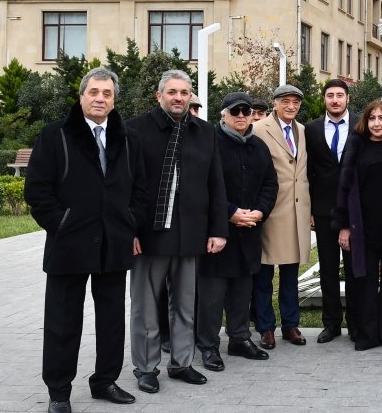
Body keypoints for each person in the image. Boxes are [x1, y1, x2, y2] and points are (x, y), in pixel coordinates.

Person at [25, 67, 145, 413]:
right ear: (81, 96)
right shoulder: (55, 135)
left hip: (114, 242)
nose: (100, 99)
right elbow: (37, 190)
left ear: (114, 99)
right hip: (70, 243)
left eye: (107, 94)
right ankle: (59, 391)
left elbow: (140, 188)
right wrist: (60, 223)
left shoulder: (127, 137)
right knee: (63, 320)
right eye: (94, 92)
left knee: (111, 318)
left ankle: (105, 381)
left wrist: (130, 222)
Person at [127, 70, 228, 394]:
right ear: (159, 96)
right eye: (172, 92)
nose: (179, 98)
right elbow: (124, 186)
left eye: (184, 93)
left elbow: (216, 184)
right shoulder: (136, 130)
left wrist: (218, 230)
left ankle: (182, 363)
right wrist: (130, 231)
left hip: (191, 234)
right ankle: (145, 367)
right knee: (145, 308)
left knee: (185, 306)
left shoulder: (205, 132)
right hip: (150, 236)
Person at [196, 93, 277, 372]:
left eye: (247, 111)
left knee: (242, 292)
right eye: (236, 111)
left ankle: (239, 338)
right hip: (218, 232)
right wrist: (231, 212)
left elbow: (270, 184)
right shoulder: (210, 144)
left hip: (249, 231)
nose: (242, 115)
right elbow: (202, 186)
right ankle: (208, 345)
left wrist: (259, 212)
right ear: (223, 115)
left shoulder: (259, 147)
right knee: (212, 296)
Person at [333, 100, 382, 350]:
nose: (377, 123)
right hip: (361, 226)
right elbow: (343, 188)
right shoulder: (356, 144)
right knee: (363, 281)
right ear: (365, 122)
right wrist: (344, 225)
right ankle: (366, 334)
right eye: (372, 118)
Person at [253, 84, 312, 349]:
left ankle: (291, 325)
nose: (291, 106)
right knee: (264, 275)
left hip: (297, 212)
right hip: (270, 211)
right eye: (285, 101)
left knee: (290, 274)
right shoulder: (259, 129)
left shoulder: (302, 130)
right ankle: (265, 327)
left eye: (295, 102)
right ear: (274, 103)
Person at [305, 79, 359, 343]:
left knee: (354, 268)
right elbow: (308, 172)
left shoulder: (362, 124)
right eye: (330, 96)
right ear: (324, 99)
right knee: (327, 267)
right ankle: (331, 323)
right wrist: (311, 209)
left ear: (347, 98)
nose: (335, 100)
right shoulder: (311, 130)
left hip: (356, 207)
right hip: (324, 209)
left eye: (340, 95)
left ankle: (356, 323)